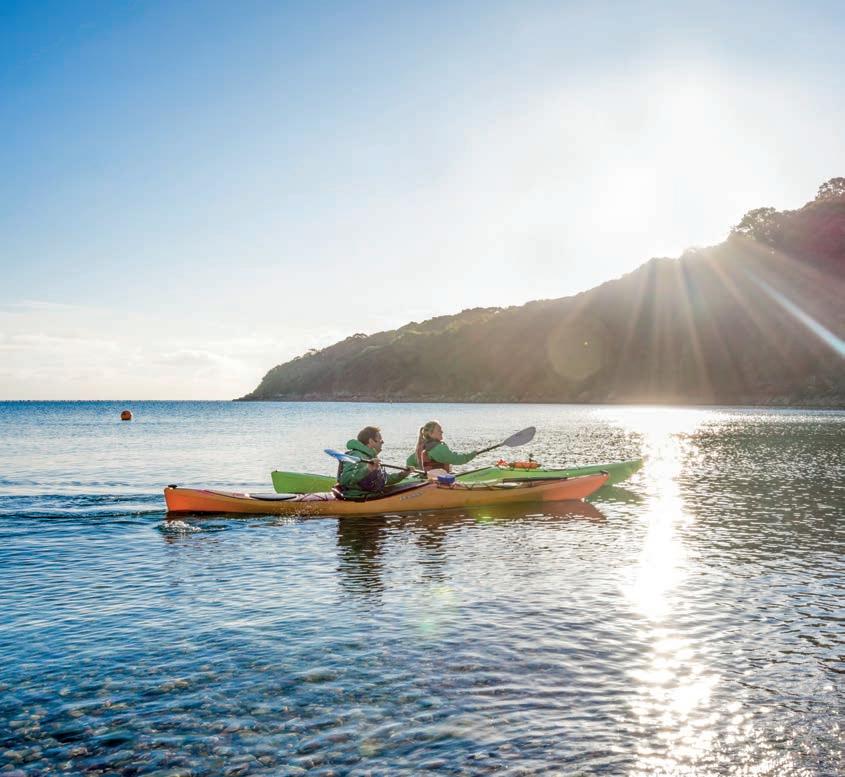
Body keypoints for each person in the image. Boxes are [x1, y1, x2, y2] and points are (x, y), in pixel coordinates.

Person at [336, 426, 410, 499]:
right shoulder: (356, 455)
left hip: (371, 495)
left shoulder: (371, 457)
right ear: (371, 441)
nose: (382, 442)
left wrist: (402, 474)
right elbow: (344, 480)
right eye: (380, 440)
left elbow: (384, 480)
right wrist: (367, 469)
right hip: (358, 497)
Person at [407, 420, 479, 476]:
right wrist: (472, 454)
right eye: (439, 430)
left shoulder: (423, 446)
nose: (442, 432)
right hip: (438, 481)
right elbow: (456, 459)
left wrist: (419, 471)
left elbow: (409, 461)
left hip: (428, 478)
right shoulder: (437, 448)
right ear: (431, 434)